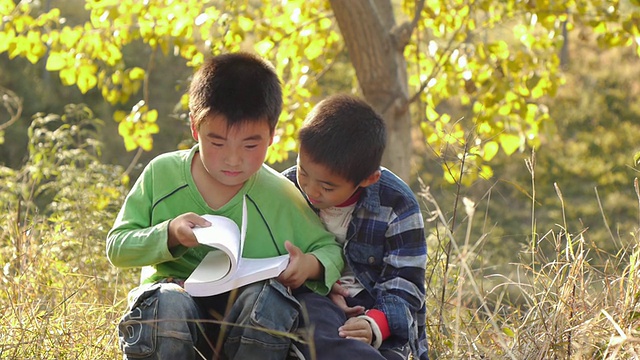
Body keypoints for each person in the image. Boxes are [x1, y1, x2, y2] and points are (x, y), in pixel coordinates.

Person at [106, 52, 343, 360]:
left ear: (272, 135)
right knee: (167, 306)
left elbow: (330, 249)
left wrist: (308, 265)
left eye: (250, 145)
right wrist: (170, 234)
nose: (233, 159)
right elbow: (117, 247)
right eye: (217, 143)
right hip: (170, 316)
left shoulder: (279, 195)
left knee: (270, 302)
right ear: (195, 128)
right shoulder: (161, 174)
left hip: (242, 325)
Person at [282, 94, 429, 360]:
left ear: (368, 179)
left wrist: (375, 324)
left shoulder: (397, 203)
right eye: (303, 171)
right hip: (314, 299)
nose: (311, 189)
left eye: (328, 186)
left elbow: (406, 282)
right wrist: (320, 285)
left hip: (376, 310)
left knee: (389, 351)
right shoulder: (286, 189)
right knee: (315, 323)